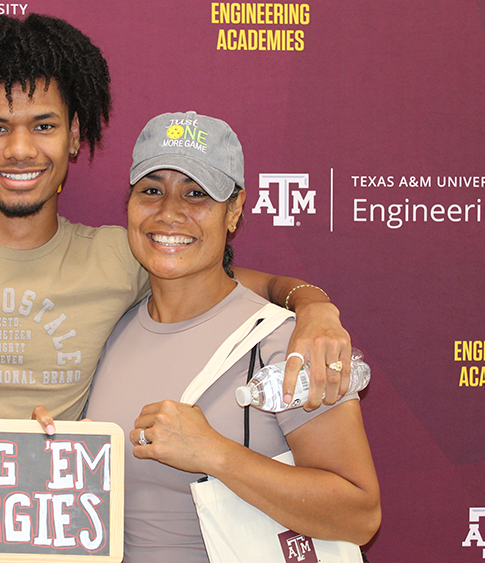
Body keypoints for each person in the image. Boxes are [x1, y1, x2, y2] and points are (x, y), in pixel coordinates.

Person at [0, 15, 354, 563]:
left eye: (44, 125)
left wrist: (312, 305)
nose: (20, 149)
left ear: (75, 135)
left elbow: (227, 281)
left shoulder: (121, 258)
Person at [37, 111, 380, 561]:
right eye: (152, 190)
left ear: (234, 210)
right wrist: (55, 456)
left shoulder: (286, 342)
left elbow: (358, 514)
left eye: (196, 194)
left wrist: (214, 453)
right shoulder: (110, 330)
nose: (169, 212)